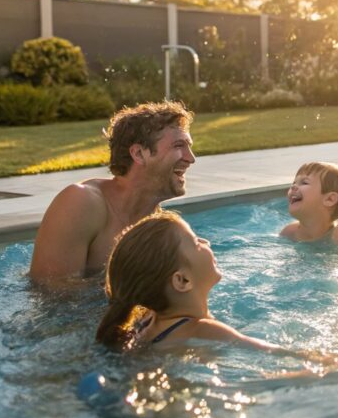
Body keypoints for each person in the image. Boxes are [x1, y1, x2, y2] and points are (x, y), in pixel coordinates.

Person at [29, 101, 195, 284]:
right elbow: (51, 295)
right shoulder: (81, 202)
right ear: (139, 154)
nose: (191, 158)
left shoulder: (161, 228)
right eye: (179, 146)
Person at [97, 212, 287, 351]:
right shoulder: (204, 331)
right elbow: (273, 354)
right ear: (183, 280)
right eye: (196, 242)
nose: (206, 242)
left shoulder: (145, 323)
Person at [280, 162, 338, 243]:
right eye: (294, 182)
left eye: (304, 182)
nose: (293, 186)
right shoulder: (289, 233)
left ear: (329, 199)